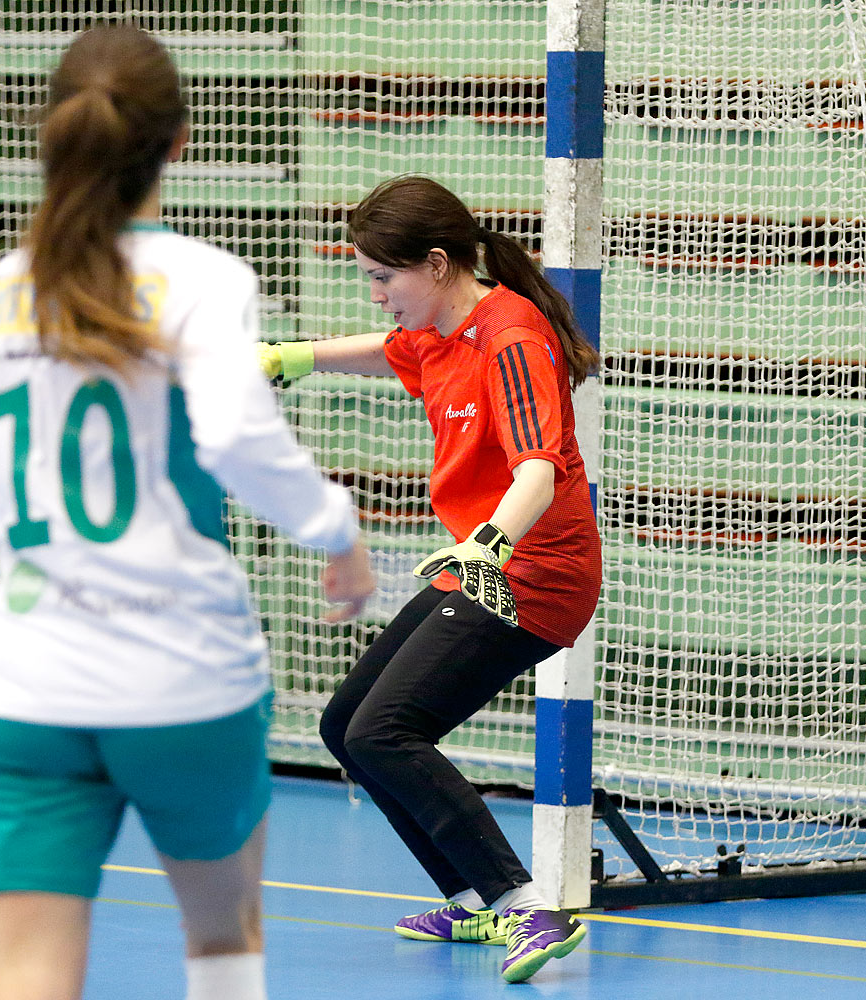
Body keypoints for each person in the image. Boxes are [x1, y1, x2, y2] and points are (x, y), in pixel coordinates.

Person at [0, 24, 374, 1000]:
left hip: (30, 690)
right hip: (186, 681)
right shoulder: (207, 280)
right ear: (178, 141)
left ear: (54, 135)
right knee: (223, 944)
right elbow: (235, 438)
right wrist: (336, 530)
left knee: (29, 982)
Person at [257, 175, 602, 984]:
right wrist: (294, 357)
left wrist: (486, 545)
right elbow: (392, 353)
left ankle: (524, 907)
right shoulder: (443, 330)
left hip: (535, 571)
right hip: (483, 565)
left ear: (438, 264)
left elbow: (539, 473)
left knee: (387, 731)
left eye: (385, 278)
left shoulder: (509, 336)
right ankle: (472, 900)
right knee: (346, 727)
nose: (376, 295)